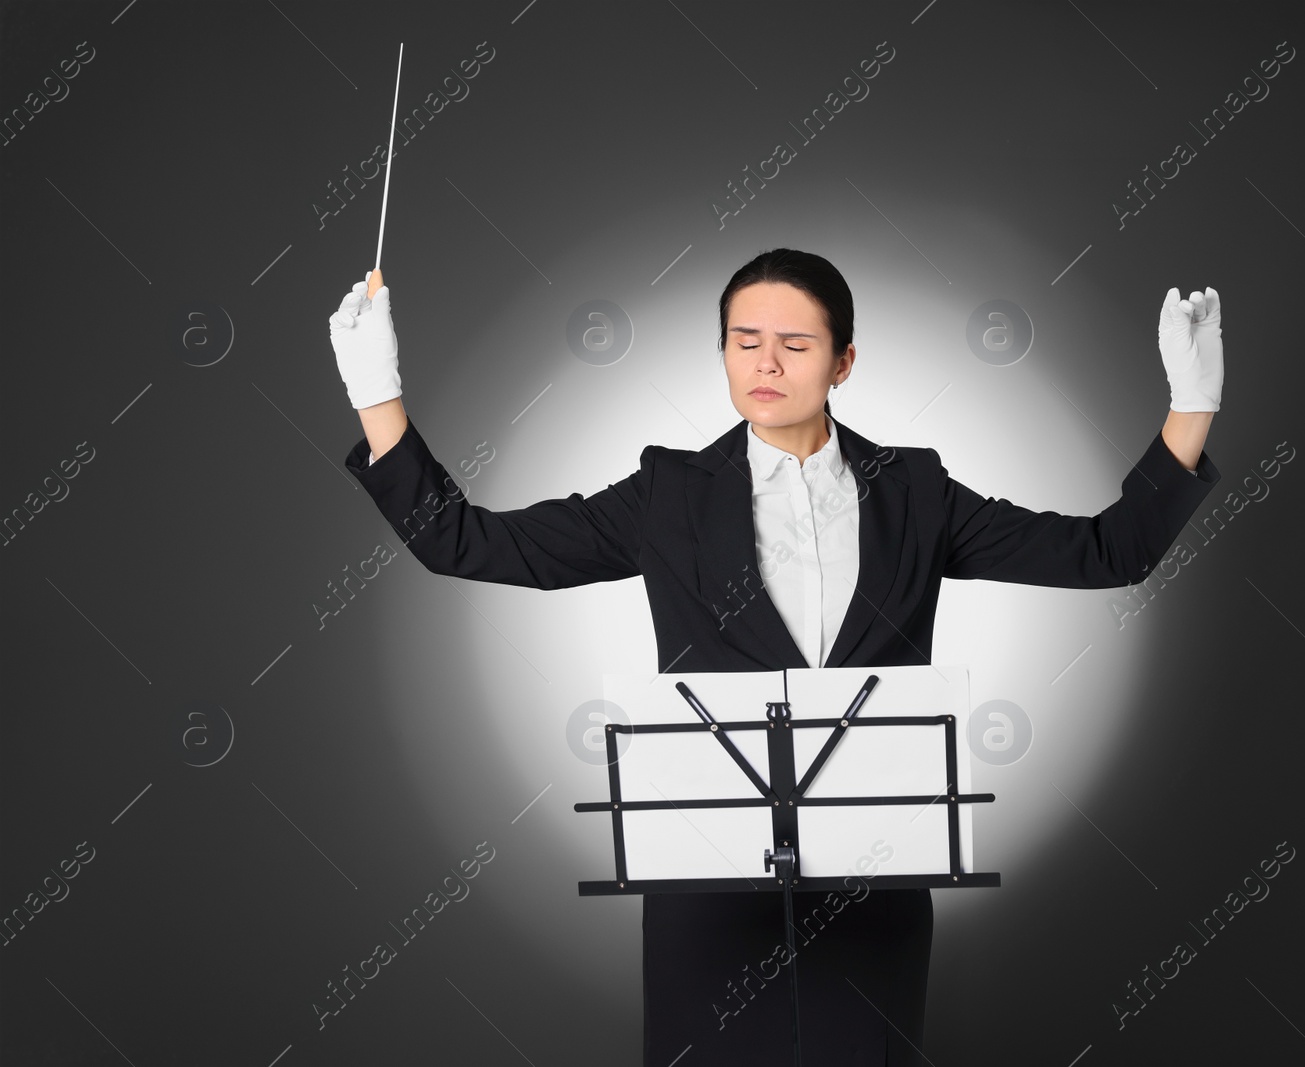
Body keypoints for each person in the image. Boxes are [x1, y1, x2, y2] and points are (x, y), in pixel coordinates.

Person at [328, 248, 1223, 1065]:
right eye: (744, 341)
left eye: (794, 344)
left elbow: (1109, 553)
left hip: (872, 888)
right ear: (721, 354)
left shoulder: (914, 489)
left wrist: (1192, 408)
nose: (765, 363)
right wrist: (380, 395)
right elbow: (466, 543)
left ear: (843, 362)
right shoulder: (667, 493)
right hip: (708, 893)